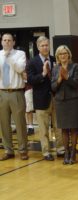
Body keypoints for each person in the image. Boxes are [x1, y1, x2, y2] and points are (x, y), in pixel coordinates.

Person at [27, 36, 64, 161]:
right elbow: (31, 80)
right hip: (41, 100)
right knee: (43, 129)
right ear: (38, 47)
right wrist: (42, 74)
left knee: (58, 126)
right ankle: (46, 152)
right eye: (42, 45)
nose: (45, 47)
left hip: (55, 97)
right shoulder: (32, 62)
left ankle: (60, 149)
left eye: (47, 45)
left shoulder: (54, 59)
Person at [0, 33, 28, 161]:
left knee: (20, 123)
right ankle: (8, 150)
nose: (7, 42)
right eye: (4, 40)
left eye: (9, 40)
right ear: (1, 42)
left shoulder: (20, 54)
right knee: (4, 123)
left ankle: (23, 150)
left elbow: (20, 68)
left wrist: (9, 57)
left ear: (13, 42)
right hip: (2, 92)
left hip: (16, 92)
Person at [51, 45, 78, 165]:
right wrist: (59, 79)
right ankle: (66, 153)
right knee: (63, 128)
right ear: (58, 56)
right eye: (60, 54)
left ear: (69, 55)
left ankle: (73, 153)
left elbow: (76, 84)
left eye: (65, 53)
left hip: (73, 100)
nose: (63, 56)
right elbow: (53, 87)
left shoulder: (75, 66)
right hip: (60, 101)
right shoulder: (55, 69)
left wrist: (67, 77)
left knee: (73, 128)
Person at [22, 71, 35, 135]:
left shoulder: (27, 63)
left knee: (29, 109)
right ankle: (21, 126)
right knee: (20, 109)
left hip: (28, 88)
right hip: (20, 89)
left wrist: (24, 77)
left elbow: (27, 77)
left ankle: (31, 127)